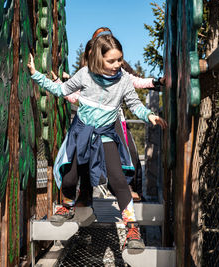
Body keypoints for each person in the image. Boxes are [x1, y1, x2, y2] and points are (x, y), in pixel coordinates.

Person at [28, 34, 167, 250]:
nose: (117, 65)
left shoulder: (123, 81)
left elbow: (135, 104)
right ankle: (68, 204)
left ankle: (132, 228)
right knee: (70, 177)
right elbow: (61, 90)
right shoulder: (85, 75)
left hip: (105, 135)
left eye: (119, 59)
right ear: (98, 60)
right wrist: (37, 75)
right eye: (111, 61)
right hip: (82, 133)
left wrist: (149, 115)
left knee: (119, 181)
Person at [56, 27, 165, 204]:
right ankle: (85, 197)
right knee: (84, 159)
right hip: (90, 123)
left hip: (112, 120)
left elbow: (134, 83)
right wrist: (63, 85)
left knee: (129, 151)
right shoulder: (87, 73)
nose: (114, 64)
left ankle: (129, 189)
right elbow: (77, 95)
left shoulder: (119, 72)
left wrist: (155, 82)